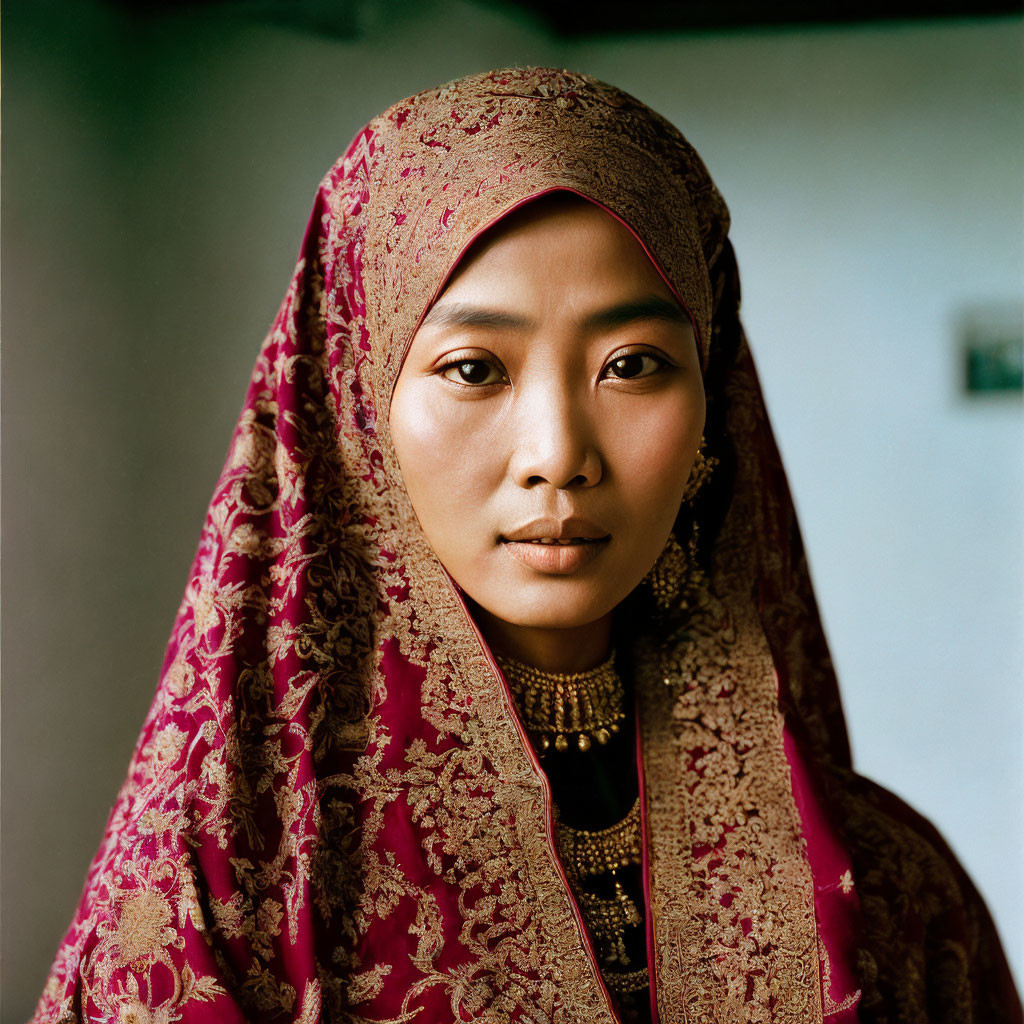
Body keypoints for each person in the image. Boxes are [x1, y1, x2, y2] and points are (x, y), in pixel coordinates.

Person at [33, 67, 1019, 1024]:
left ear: (712, 408)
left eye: (631, 365)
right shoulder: (221, 901)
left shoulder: (890, 892)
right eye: (473, 368)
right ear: (357, 412)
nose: (557, 454)